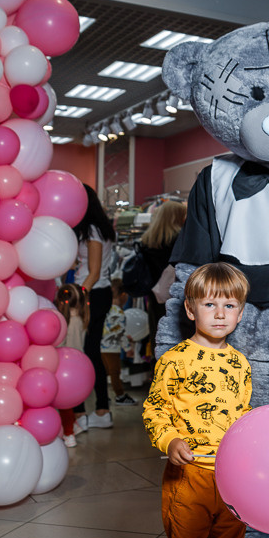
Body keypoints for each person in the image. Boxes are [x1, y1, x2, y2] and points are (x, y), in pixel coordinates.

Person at [142, 262, 264, 538]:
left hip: (232, 483)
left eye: (228, 305)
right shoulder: (174, 360)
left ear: (241, 313)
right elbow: (155, 408)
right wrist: (170, 440)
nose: (219, 313)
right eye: (209, 304)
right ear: (190, 309)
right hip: (188, 480)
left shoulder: (241, 365)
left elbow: (245, 419)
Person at [72, 184, 116, 430]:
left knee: (81, 351)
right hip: (96, 293)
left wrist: (78, 297)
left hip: (91, 294)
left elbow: (94, 271)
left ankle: (83, 413)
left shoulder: (91, 231)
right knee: (89, 351)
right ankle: (100, 410)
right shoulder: (100, 228)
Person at [139, 199, 187, 351]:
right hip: (175, 294)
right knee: (177, 337)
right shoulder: (180, 240)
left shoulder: (147, 241)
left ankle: (157, 371)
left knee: (157, 334)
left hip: (154, 294)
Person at [54, 282, 88, 447]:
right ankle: (72, 426)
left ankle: (69, 434)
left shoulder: (67, 322)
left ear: (61, 302)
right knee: (67, 405)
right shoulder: (80, 318)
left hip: (65, 367)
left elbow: (65, 347)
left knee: (64, 405)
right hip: (77, 368)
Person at [100, 277, 136, 405]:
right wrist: (128, 348)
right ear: (123, 295)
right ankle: (120, 396)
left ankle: (103, 397)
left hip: (101, 347)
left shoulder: (104, 309)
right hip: (112, 348)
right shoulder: (119, 313)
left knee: (103, 373)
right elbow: (120, 334)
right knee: (115, 373)